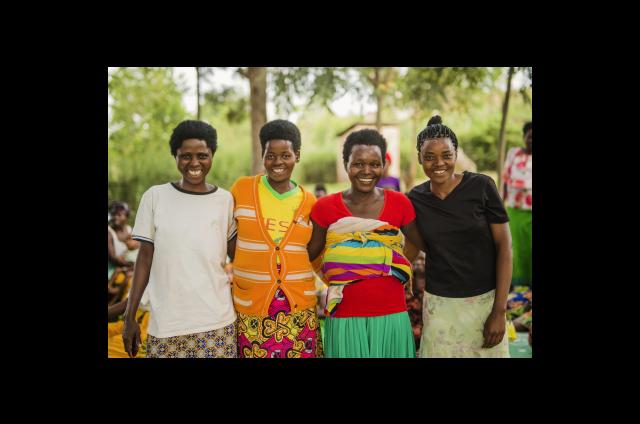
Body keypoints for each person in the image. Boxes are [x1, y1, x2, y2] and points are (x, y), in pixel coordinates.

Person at [122, 120, 238, 358]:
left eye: (202, 155)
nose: (194, 163)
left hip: (217, 322)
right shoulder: (155, 197)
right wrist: (129, 316)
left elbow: (239, 256)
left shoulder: (225, 200)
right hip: (167, 324)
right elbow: (144, 260)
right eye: (185, 156)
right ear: (174, 156)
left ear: (212, 155)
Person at [308, 128, 423, 358]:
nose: (367, 171)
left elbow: (416, 242)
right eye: (358, 164)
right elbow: (312, 254)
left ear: (384, 165)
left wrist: (388, 264)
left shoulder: (400, 203)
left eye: (374, 163)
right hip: (345, 315)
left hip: (391, 313)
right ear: (345, 164)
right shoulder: (324, 208)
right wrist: (342, 269)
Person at [407, 115, 513, 358]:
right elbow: (412, 248)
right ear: (420, 159)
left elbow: (504, 246)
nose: (438, 163)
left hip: (485, 303)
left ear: (456, 154)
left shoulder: (482, 186)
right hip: (440, 306)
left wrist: (499, 311)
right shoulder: (415, 199)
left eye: (446, 155)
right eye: (429, 157)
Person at [230, 119, 322, 358]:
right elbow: (228, 237)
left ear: (297, 155)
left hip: (298, 308)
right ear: (262, 155)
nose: (278, 162)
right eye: (271, 155)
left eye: (286, 155)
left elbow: (314, 252)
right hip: (253, 305)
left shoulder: (309, 202)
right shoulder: (242, 189)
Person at [502, 121, 532, 287]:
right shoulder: (513, 154)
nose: (531, 140)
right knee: (517, 249)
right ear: (524, 137)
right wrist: (501, 205)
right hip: (515, 209)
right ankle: (519, 285)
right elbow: (505, 180)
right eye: (529, 136)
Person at [107, 201, 139, 305]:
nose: (116, 217)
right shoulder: (109, 232)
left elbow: (139, 246)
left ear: (127, 217)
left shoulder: (130, 230)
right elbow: (112, 258)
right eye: (114, 214)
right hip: (111, 270)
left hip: (127, 266)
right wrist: (132, 265)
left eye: (119, 215)